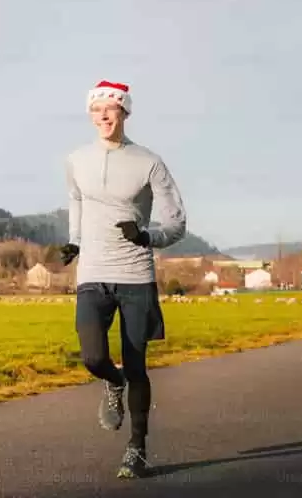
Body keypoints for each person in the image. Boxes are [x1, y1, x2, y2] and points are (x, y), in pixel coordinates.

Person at [60, 80, 187, 479]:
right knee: (93, 356)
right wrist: (76, 242)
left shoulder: (149, 162)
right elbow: (76, 201)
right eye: (96, 109)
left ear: (124, 113)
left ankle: (138, 448)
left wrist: (148, 237)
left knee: (137, 366)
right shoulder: (76, 160)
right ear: (90, 115)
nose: (103, 115)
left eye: (110, 108)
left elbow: (177, 222)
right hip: (93, 273)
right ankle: (110, 384)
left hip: (135, 274)